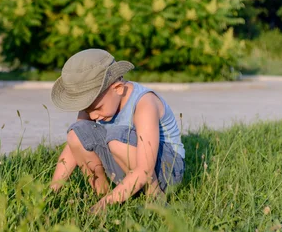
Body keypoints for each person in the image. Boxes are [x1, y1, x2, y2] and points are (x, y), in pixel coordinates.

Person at [49, 49, 185, 213]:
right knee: (77, 132)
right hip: (126, 166)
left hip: (164, 170)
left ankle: (155, 198)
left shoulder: (144, 103)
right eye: (87, 110)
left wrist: (104, 207)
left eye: (97, 108)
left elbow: (145, 169)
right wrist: (52, 192)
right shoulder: (94, 104)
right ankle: (102, 193)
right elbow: (74, 143)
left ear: (118, 88)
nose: (93, 115)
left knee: (117, 138)